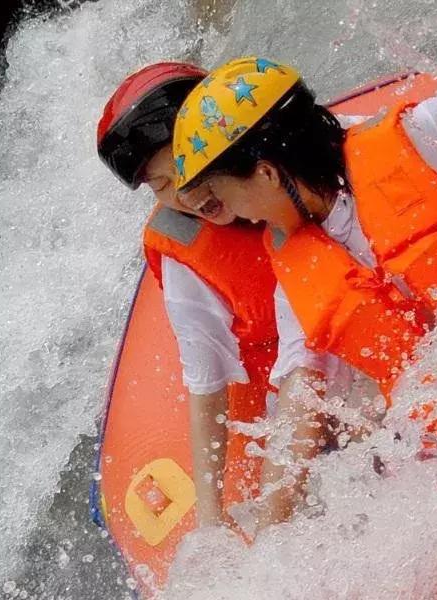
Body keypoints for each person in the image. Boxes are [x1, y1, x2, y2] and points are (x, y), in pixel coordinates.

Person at [171, 56, 437, 469]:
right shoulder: (299, 265)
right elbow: (301, 398)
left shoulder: (420, 136)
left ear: (266, 175)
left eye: (230, 196)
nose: (244, 216)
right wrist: (267, 526)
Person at [96, 62, 279, 527]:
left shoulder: (286, 162)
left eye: (184, 165)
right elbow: (206, 381)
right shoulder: (186, 254)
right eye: (162, 186)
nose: (188, 192)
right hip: (283, 372)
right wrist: (212, 519)